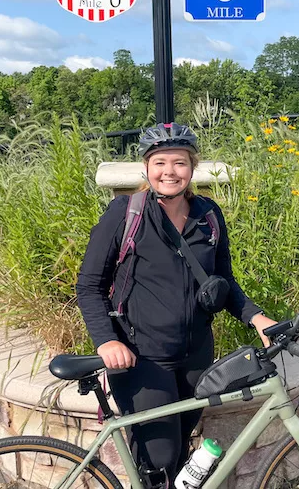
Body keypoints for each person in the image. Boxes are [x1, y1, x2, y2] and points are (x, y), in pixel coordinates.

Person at [76, 123, 275, 487]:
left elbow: (224, 280)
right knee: (159, 457)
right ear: (147, 168)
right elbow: (89, 286)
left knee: (182, 449)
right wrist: (107, 341)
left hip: (196, 354)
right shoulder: (125, 214)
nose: (170, 171)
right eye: (160, 162)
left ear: (193, 167)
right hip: (141, 357)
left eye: (180, 162)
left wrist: (256, 317)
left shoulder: (208, 214)